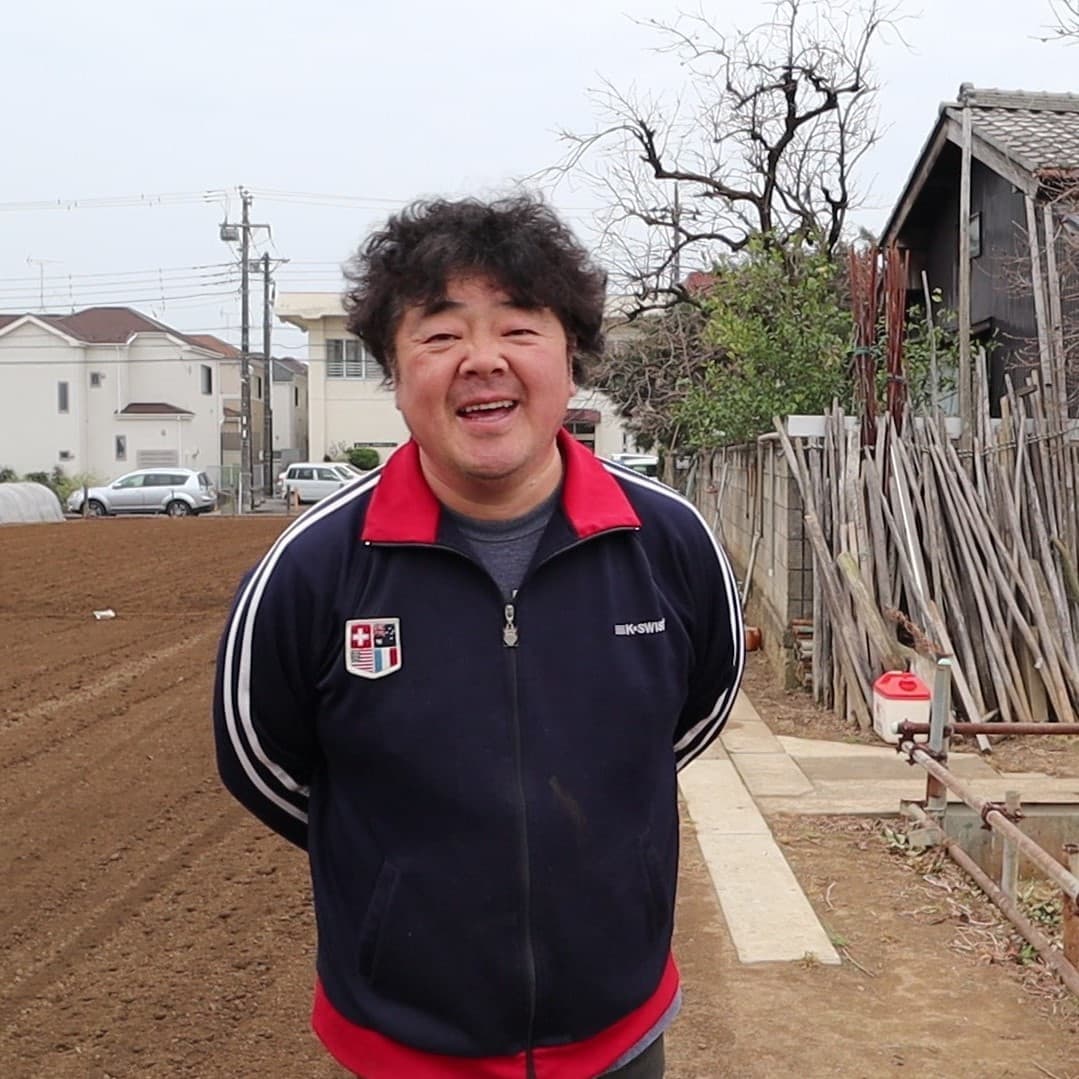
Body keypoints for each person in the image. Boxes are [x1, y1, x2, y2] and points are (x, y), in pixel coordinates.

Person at [213, 194, 745, 1079]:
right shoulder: (313, 567)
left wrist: (606, 831)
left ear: (570, 359)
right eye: (440, 333)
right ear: (395, 371)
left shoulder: (666, 541)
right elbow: (258, 759)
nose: (482, 359)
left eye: (519, 328)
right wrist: (398, 864)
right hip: (397, 1047)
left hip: (616, 1031)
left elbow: (696, 710)